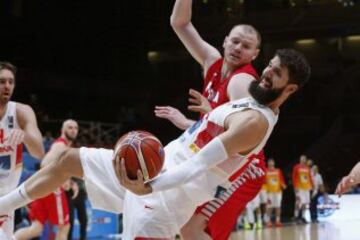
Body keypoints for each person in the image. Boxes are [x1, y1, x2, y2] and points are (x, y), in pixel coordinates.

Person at [0, 49, 311, 239]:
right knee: (68, 159)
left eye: (277, 73)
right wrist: (197, 119)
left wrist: (149, 187)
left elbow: (199, 164)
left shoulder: (255, 122)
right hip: (154, 171)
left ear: (291, 88)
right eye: (270, 65)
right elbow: (207, 137)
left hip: (167, 196)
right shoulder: (249, 103)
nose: (268, 72)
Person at [154, 0, 265, 237]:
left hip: (243, 167)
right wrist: (188, 123)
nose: (237, 48)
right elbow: (179, 23)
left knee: (192, 227)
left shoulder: (242, 82)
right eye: (235, 41)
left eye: (246, 46)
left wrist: (210, 113)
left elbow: (242, 135)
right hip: (218, 161)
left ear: (254, 54)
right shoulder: (212, 61)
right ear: (225, 41)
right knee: (184, 225)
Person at [0, 61, 45, 238]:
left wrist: (25, 135)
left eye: (11, 81)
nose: (7, 86)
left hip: (7, 199)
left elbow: (39, 152)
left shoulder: (21, 112)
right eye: (2, 81)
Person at [14, 119, 79, 240]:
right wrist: (62, 180)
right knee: (64, 227)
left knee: (36, 228)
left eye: (75, 128)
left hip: (44, 187)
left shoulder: (63, 146)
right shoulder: (61, 145)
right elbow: (44, 164)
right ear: (62, 130)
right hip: (53, 189)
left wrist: (68, 181)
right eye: (70, 127)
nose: (73, 130)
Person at [292, 154, 314, 223]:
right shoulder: (296, 167)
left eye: (304, 159)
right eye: (302, 158)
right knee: (298, 202)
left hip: (307, 188)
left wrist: (313, 186)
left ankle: (303, 217)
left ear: (305, 160)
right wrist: (295, 187)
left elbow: (310, 178)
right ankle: (296, 217)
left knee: (305, 203)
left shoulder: (308, 168)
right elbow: (294, 177)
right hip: (299, 188)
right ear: (300, 159)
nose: (303, 160)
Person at [265, 158, 286, 227]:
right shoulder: (265, 171)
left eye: (272, 162)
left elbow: (281, 179)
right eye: (270, 162)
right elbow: (263, 181)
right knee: (269, 207)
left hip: (278, 192)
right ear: (268, 163)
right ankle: (268, 221)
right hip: (269, 192)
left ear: (274, 163)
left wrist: (283, 185)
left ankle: (278, 221)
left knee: (278, 207)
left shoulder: (278, 170)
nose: (271, 163)